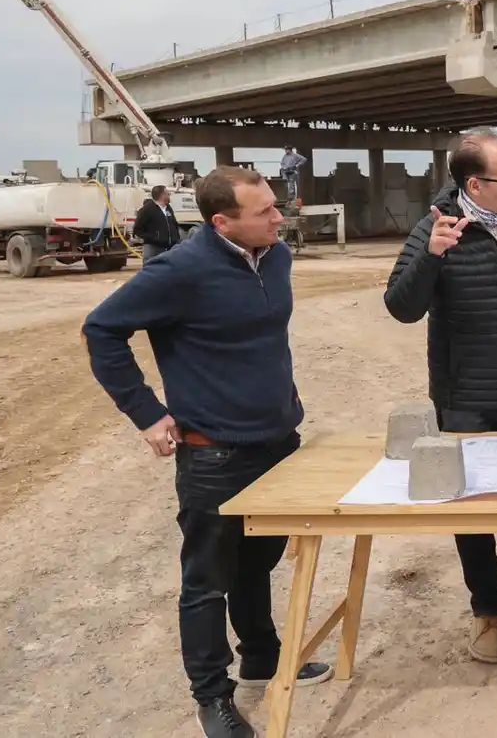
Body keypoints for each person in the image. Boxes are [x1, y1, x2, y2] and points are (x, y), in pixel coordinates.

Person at [81, 166, 328, 738]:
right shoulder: (180, 271)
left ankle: (262, 655)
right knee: (208, 578)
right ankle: (212, 698)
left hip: (277, 441)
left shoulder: (277, 257)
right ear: (222, 222)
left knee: (257, 561)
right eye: (264, 211)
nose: (278, 216)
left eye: (275, 204)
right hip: (214, 451)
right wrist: (145, 413)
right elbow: (103, 330)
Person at [382, 128, 497, 667]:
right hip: (463, 399)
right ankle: (487, 613)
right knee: (472, 512)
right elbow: (400, 306)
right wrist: (433, 257)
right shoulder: (435, 229)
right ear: (473, 184)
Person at [135, 184, 181, 261]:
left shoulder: (168, 208)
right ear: (162, 195)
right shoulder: (147, 209)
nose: (169, 195)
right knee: (151, 270)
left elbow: (174, 224)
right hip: (153, 249)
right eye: (167, 193)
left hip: (170, 248)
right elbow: (137, 229)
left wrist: (176, 238)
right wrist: (154, 238)